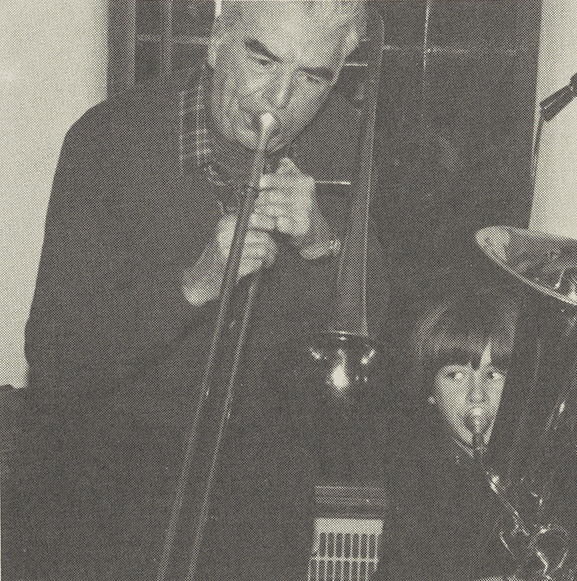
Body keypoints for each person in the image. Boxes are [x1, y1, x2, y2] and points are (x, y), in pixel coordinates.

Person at [2, 2, 386, 579]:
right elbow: (55, 357)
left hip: (260, 495)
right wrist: (198, 282)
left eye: (313, 76)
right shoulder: (109, 141)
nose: (279, 99)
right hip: (109, 486)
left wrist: (321, 245)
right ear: (215, 41)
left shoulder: (343, 144)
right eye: (262, 58)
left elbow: (372, 328)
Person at [375, 288, 577, 581]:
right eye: (456, 375)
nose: (476, 395)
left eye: (495, 375)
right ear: (431, 390)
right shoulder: (415, 479)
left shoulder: (574, 469)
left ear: (520, 387)